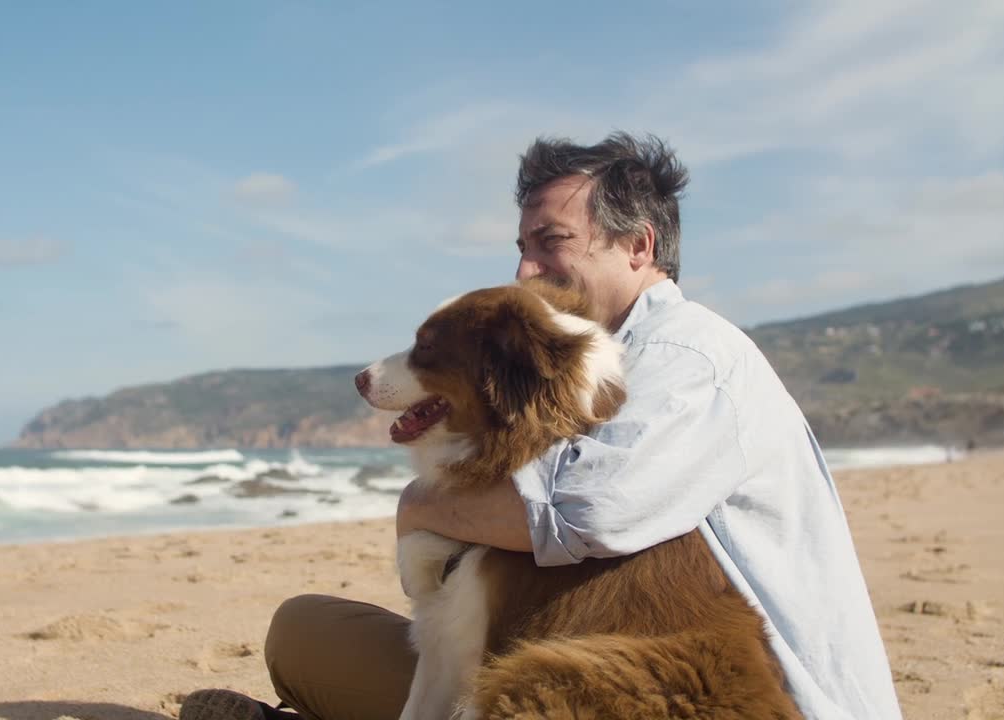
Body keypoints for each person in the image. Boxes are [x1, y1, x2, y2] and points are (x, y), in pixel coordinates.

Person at [181, 132, 902, 720]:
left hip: (719, 697)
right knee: (306, 633)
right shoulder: (588, 361)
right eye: (522, 246)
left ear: (638, 247)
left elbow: (584, 511)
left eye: (550, 241)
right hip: (559, 658)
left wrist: (421, 508)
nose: (526, 270)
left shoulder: (685, 356)